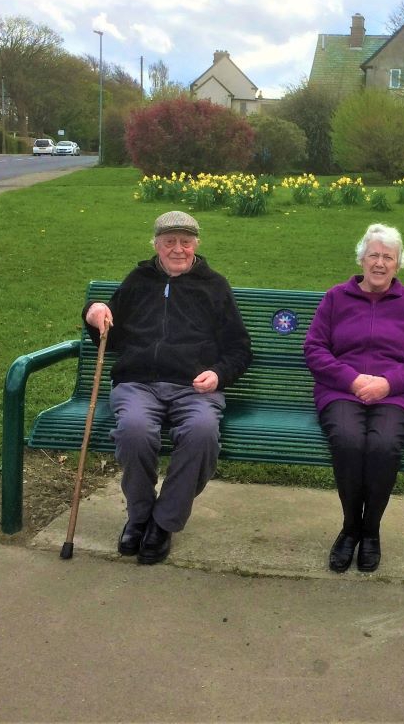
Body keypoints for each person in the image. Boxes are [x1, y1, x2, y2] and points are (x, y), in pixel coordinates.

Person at [83, 210, 251, 565]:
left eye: (185, 242)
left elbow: (240, 349)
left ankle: (164, 522)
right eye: (170, 242)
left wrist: (219, 375)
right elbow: (107, 326)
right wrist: (94, 310)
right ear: (156, 245)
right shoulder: (139, 279)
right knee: (134, 430)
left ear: (196, 246)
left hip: (194, 387)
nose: (178, 249)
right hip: (138, 384)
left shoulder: (214, 286)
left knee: (203, 433)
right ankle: (140, 516)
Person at [304, 223, 404, 573]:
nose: (380, 263)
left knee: (383, 447)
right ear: (362, 258)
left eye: (388, 257)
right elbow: (315, 348)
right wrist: (351, 380)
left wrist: (387, 384)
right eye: (374, 255)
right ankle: (351, 529)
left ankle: (372, 531)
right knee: (348, 441)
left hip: (394, 396)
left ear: (398, 264)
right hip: (341, 391)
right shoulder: (336, 297)